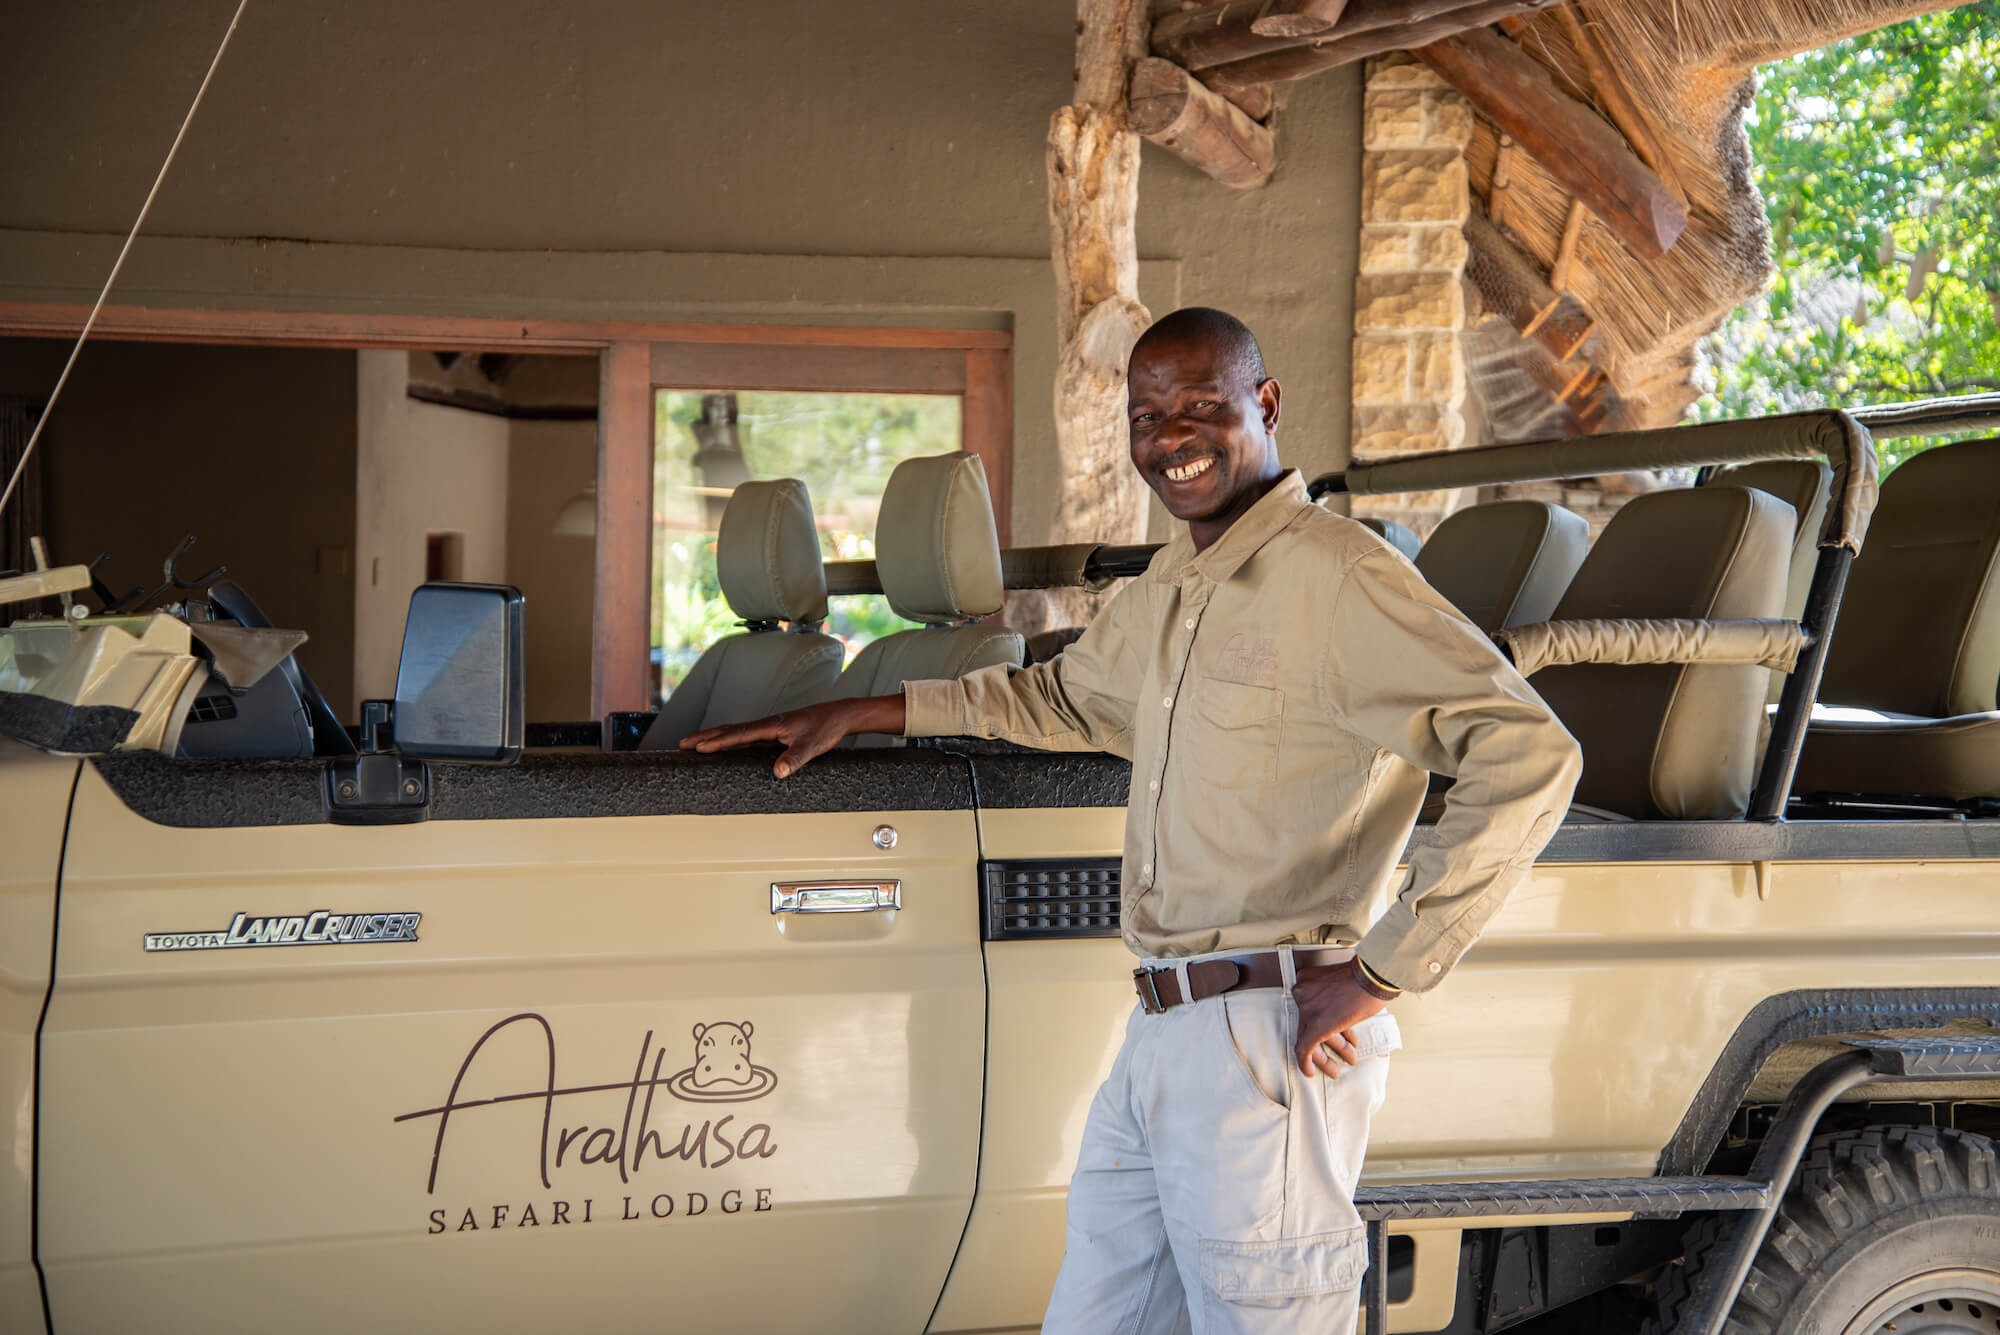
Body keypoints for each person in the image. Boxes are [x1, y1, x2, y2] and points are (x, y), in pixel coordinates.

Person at [683, 307, 1583, 1334]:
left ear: (1266, 405)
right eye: (1147, 413)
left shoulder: (1340, 576)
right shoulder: (1171, 585)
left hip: (1266, 1033)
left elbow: (1528, 752)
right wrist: (867, 706)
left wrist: (1384, 970)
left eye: (1201, 404)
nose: (1170, 438)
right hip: (1158, 1029)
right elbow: (1062, 702)